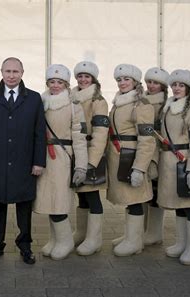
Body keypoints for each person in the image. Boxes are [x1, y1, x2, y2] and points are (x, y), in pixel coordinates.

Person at [0, 57, 46, 264]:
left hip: (24, 163)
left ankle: (25, 246)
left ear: (22, 73)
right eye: (8, 71)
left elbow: (39, 133)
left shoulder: (33, 99)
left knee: (24, 206)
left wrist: (38, 162)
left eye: (15, 71)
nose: (11, 75)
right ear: (1, 72)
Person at [34, 64, 87, 260]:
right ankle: (55, 239)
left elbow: (80, 137)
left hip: (64, 157)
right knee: (48, 199)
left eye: (60, 82)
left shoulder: (74, 105)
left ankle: (65, 241)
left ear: (66, 84)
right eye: (52, 82)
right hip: (44, 157)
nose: (55, 85)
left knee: (60, 200)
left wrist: (81, 165)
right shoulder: (40, 101)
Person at [157, 69, 190, 265]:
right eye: (174, 85)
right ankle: (182, 242)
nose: (176, 88)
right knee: (179, 204)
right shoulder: (168, 107)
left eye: (181, 85)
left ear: (189, 88)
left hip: (184, 161)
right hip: (168, 162)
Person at [107, 64, 155, 257]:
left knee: (135, 199)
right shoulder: (119, 102)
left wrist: (139, 168)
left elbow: (147, 139)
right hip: (118, 156)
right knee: (128, 198)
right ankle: (130, 235)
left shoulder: (141, 105)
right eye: (119, 79)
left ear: (135, 81)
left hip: (131, 157)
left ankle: (135, 241)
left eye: (126, 79)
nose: (122, 83)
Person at [71, 61, 109, 256]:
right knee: (82, 193)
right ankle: (82, 232)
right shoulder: (71, 97)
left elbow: (101, 133)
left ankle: (94, 239)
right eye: (80, 76)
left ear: (93, 79)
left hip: (90, 152)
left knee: (93, 195)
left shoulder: (98, 100)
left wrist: (92, 161)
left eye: (87, 76)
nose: (83, 79)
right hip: (76, 151)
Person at [142, 67, 169, 246]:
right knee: (141, 191)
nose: (151, 86)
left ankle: (154, 232)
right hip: (141, 149)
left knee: (155, 191)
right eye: (149, 82)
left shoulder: (166, 104)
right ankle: (140, 231)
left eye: (156, 83)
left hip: (157, 152)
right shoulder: (141, 100)